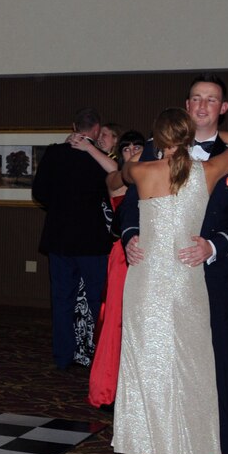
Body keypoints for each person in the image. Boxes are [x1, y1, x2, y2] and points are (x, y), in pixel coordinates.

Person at [119, 74, 228, 454]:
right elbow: (130, 208)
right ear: (186, 106)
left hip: (207, 272)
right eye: (196, 99)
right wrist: (130, 236)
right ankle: (166, 443)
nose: (202, 105)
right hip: (155, 266)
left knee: (216, 360)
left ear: (223, 108)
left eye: (211, 100)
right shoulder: (152, 153)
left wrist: (213, 246)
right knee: (161, 356)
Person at [31, 108, 112, 370]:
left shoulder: (55, 153)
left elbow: (39, 192)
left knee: (62, 300)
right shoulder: (100, 158)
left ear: (73, 126)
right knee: (97, 301)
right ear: (97, 130)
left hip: (60, 237)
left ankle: (63, 356)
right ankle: (98, 354)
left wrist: (60, 208)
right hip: (92, 240)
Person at [78, 129, 143, 408]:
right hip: (122, 254)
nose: (131, 151)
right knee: (115, 320)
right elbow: (121, 177)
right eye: (125, 147)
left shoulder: (153, 175)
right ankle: (108, 390)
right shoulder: (116, 177)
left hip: (150, 255)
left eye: (136, 147)